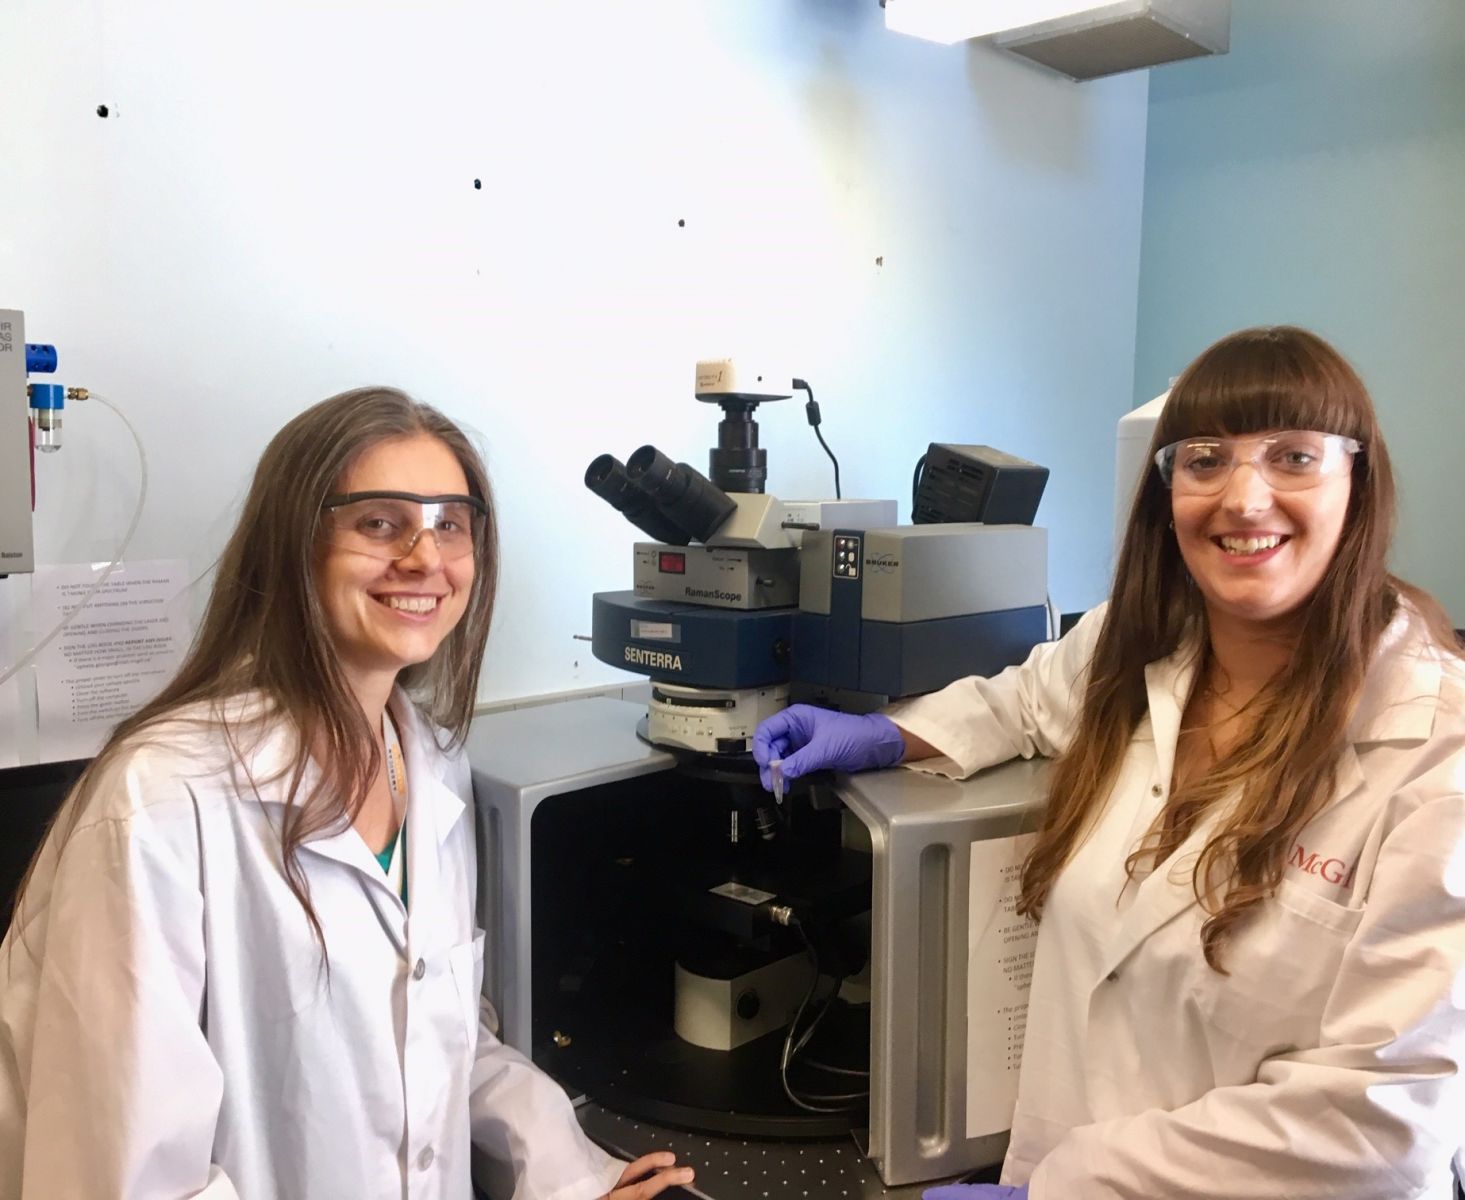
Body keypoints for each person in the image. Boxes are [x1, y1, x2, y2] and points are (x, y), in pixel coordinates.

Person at [753, 327, 1465, 1199]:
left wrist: (1079, 1187)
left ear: (1358, 482)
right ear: (1165, 492)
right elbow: (1019, 702)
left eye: (1292, 457)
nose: (1243, 498)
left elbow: (1383, 1122)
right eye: (1204, 460)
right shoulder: (1137, 648)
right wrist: (881, 736)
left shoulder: (1433, 752)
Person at [0, 388, 693, 1200]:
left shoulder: (429, 764)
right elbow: (125, 1169)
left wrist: (577, 1178)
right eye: (379, 523)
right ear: (294, 544)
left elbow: (445, 1043)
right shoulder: (160, 804)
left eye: (450, 524)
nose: (425, 557)